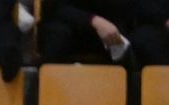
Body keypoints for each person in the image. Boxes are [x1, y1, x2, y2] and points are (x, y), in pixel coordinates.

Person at [38, 0, 168, 66]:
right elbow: (52, 8)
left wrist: (164, 19)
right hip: (73, 27)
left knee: (146, 38)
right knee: (57, 35)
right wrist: (92, 20)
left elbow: (146, 7)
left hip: (116, 32)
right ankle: (43, 99)